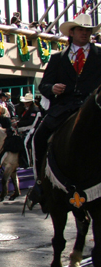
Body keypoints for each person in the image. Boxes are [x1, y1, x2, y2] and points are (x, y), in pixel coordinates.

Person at [30, 14, 101, 206]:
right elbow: (44, 85)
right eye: (81, 30)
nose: (85, 33)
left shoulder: (100, 55)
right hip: (63, 108)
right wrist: (52, 88)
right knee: (38, 137)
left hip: (94, 110)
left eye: (88, 30)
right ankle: (40, 185)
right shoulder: (57, 58)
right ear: (72, 32)